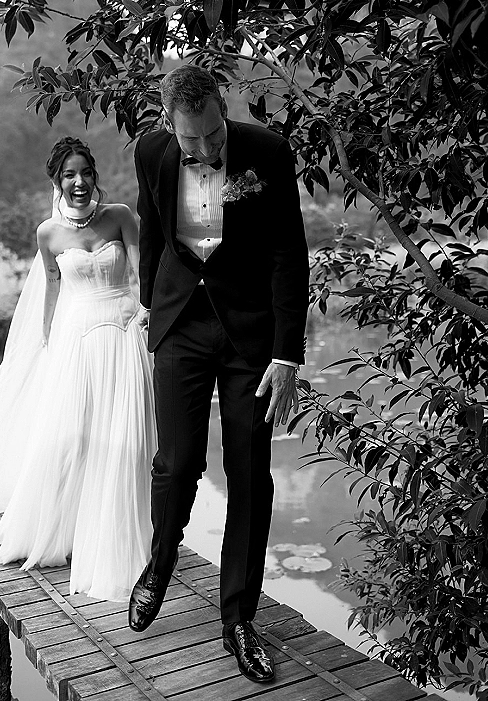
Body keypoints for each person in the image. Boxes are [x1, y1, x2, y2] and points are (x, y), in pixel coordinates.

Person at [129, 66, 309, 682]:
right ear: (168, 124)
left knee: (250, 476)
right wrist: (150, 309)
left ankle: (238, 618)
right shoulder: (150, 151)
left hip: (250, 336)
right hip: (180, 323)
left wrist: (286, 355)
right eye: (190, 142)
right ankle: (160, 561)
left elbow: (289, 251)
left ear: (221, 111)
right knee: (176, 462)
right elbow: (153, 236)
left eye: (211, 136)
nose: (203, 150)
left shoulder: (266, 152)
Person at [0, 137, 156, 602]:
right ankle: (63, 530)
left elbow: (144, 273)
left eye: (85, 172)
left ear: (95, 175)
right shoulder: (48, 234)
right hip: (75, 339)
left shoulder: (121, 216)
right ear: (56, 182)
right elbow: (51, 285)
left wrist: (146, 313)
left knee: (125, 439)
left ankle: (118, 537)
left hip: (124, 333)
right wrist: (45, 337)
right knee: (72, 436)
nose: (79, 182)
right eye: (69, 175)